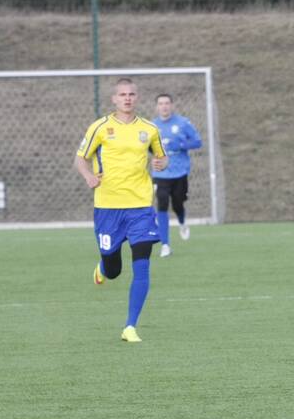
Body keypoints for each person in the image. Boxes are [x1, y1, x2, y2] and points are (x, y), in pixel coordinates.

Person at [75, 77, 168, 342]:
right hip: (108, 207)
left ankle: (130, 326)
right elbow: (80, 158)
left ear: (137, 98)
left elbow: (161, 156)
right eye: (123, 94)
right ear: (114, 99)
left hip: (140, 206)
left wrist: (161, 163)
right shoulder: (100, 127)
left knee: (142, 265)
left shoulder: (149, 129)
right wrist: (88, 176)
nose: (127, 98)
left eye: (131, 94)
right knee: (114, 269)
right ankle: (103, 268)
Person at [150, 93, 203, 257]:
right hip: (160, 173)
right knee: (162, 204)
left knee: (178, 204)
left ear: (172, 105)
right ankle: (165, 245)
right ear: (157, 107)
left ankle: (182, 222)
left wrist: (180, 144)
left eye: (167, 103)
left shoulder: (183, 123)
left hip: (180, 172)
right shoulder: (152, 126)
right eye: (161, 103)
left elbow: (197, 141)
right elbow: (146, 146)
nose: (164, 106)